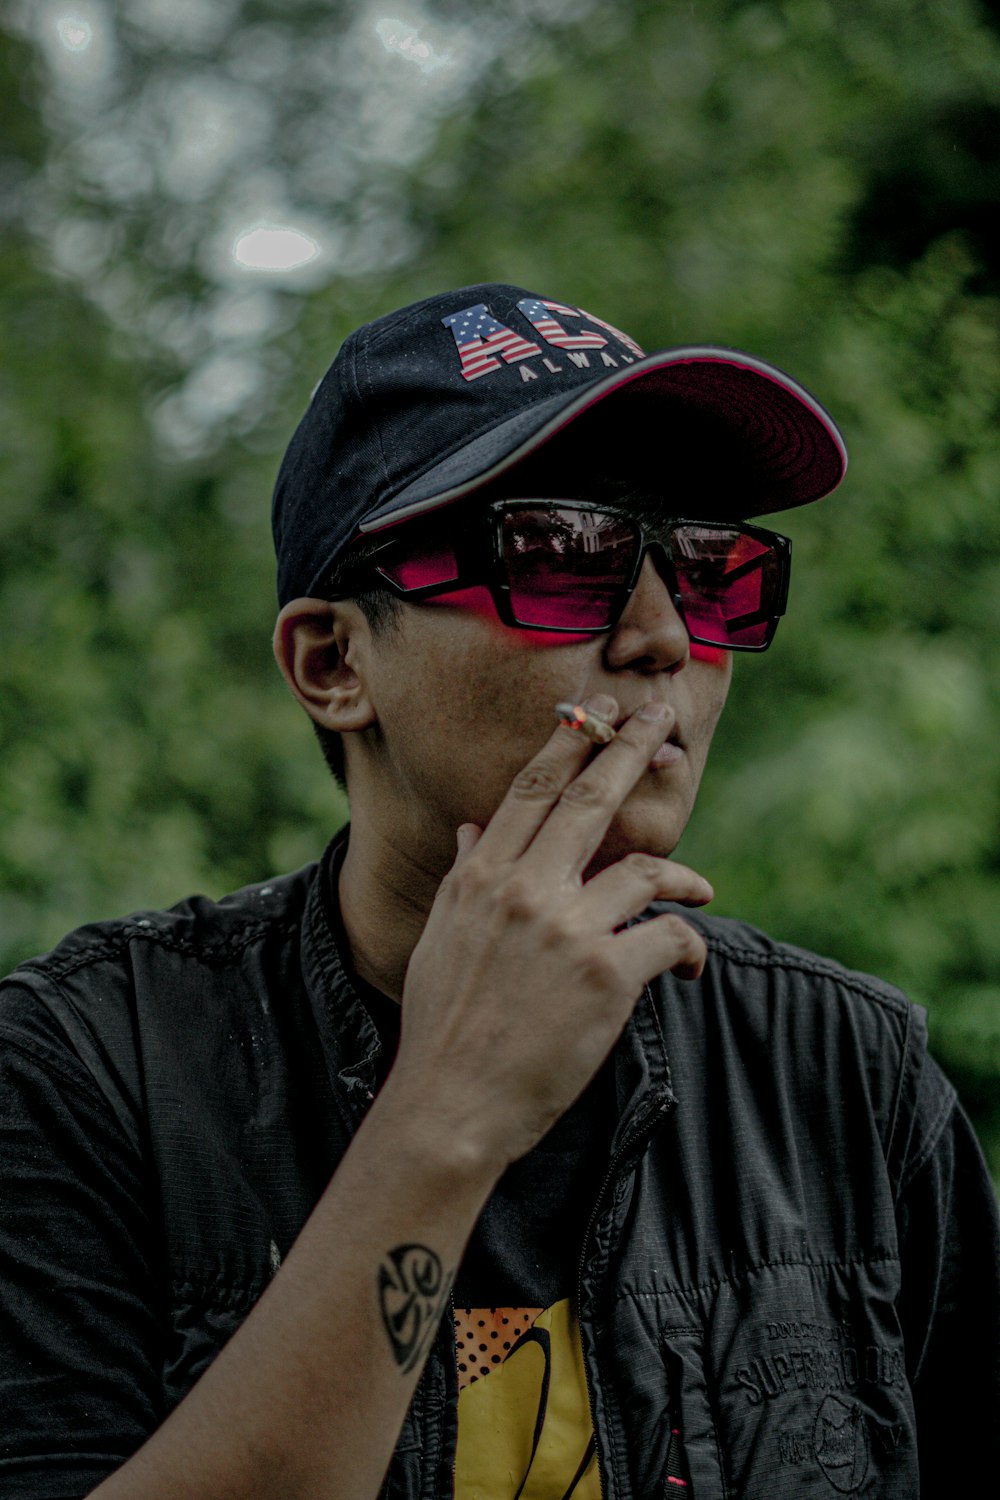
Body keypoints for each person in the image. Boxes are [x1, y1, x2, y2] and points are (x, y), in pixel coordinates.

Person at [1, 282, 997, 1500]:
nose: (664, 638)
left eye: (709, 568)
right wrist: (446, 1113)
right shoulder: (91, 1072)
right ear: (334, 663)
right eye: (561, 553)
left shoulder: (843, 1071)